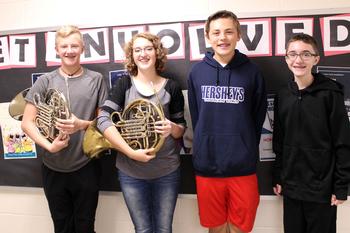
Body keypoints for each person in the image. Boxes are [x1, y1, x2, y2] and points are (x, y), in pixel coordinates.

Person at [21, 25, 108, 233]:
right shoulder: (45, 81)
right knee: (61, 228)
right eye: (64, 46)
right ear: (57, 50)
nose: (69, 50)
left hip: (86, 165)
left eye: (74, 46)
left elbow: (105, 123)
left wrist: (81, 125)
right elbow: (27, 122)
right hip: (53, 167)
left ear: (83, 48)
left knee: (86, 227)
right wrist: (49, 146)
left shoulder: (96, 79)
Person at [96, 32, 186, 233]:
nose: (143, 54)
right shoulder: (124, 84)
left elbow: (181, 130)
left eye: (148, 49)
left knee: (164, 229)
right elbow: (102, 119)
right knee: (142, 230)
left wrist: (171, 128)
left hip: (167, 170)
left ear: (157, 53)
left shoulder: (172, 87)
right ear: (132, 56)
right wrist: (130, 152)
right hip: (131, 171)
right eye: (137, 50)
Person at [187, 10, 267, 233]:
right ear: (208, 37)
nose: (223, 37)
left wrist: (244, 147)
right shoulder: (197, 72)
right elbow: (197, 116)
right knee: (216, 228)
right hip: (208, 165)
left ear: (238, 35)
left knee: (241, 228)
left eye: (229, 31)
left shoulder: (252, 73)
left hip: (243, 166)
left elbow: (257, 117)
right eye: (217, 32)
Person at [272, 33, 350, 233]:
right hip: (291, 187)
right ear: (286, 59)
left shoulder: (331, 94)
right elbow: (279, 140)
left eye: (306, 54)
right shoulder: (283, 94)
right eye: (293, 54)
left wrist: (341, 186)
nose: (299, 60)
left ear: (316, 59)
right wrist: (278, 176)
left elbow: (343, 143)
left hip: (321, 190)